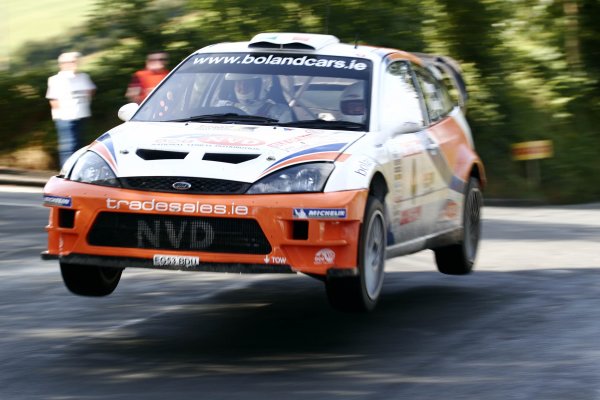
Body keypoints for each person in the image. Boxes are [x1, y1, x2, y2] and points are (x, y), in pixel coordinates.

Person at [46, 52, 96, 167]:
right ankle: (66, 171)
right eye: (71, 62)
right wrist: (62, 113)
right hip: (65, 117)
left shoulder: (83, 77)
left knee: (80, 144)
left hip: (82, 115)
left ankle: (77, 170)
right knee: (69, 146)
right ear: (62, 64)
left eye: (75, 61)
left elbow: (91, 90)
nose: (74, 64)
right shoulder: (55, 79)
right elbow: (53, 100)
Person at [219, 74, 292, 122]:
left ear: (260, 86)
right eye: (238, 82)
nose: (242, 87)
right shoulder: (222, 108)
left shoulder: (280, 112)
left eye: (247, 83)